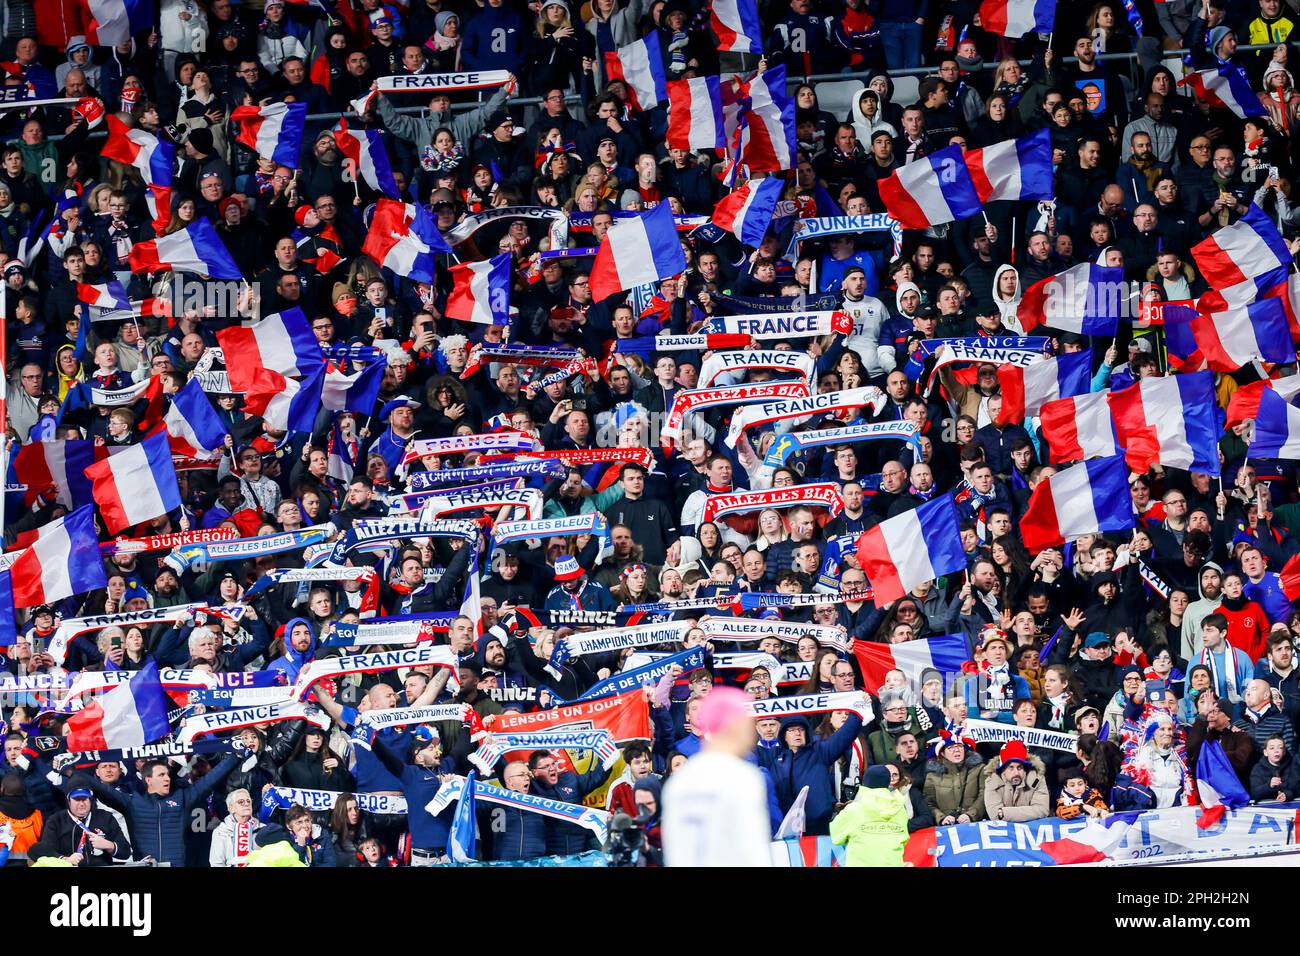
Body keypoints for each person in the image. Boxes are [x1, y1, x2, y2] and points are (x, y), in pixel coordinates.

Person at [663, 687, 772, 867]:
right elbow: (753, 847)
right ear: (734, 726)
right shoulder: (743, 777)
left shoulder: (680, 781)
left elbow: (675, 849)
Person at [828, 765, 909, 867]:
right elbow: (904, 839)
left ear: (864, 783)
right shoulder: (900, 809)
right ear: (888, 783)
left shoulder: (853, 809)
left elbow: (836, 837)